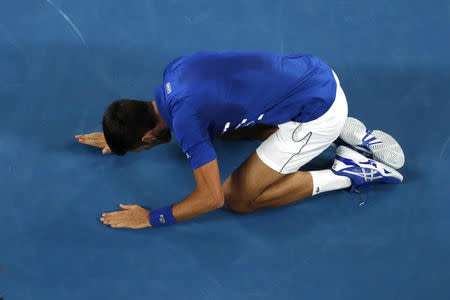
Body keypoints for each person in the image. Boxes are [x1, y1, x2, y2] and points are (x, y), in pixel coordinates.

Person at [75, 51, 405, 229]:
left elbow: (211, 198)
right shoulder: (174, 71)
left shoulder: (188, 123)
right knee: (219, 124)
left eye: (139, 147)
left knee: (238, 199)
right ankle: (334, 127)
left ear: (147, 136)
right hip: (315, 73)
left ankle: (346, 171)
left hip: (317, 114)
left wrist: (150, 217)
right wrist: (119, 136)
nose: (143, 149)